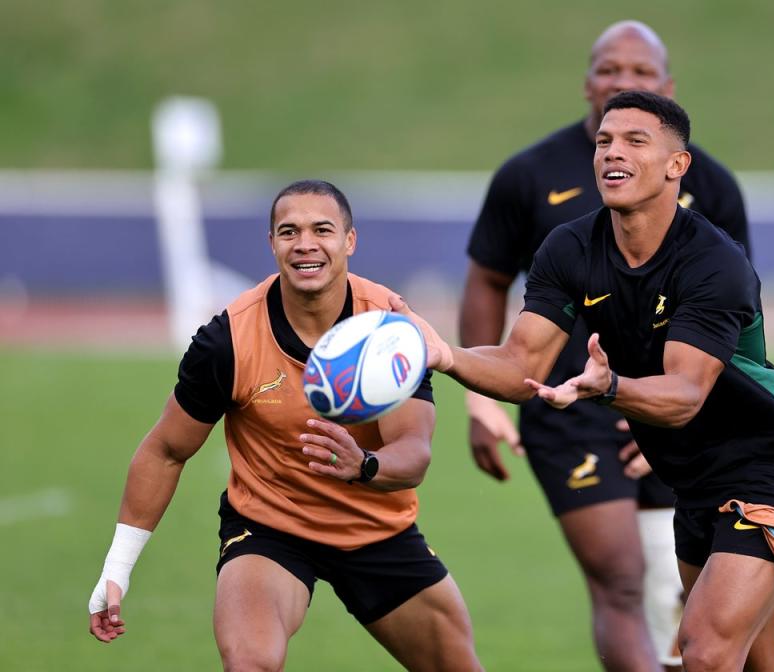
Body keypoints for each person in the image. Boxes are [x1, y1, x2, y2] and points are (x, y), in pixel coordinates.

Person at [402, 91, 774, 672]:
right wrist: (442, 354)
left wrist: (607, 388)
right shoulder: (571, 247)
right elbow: (521, 364)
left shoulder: (713, 262)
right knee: (757, 661)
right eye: (604, 141)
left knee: (703, 652)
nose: (612, 153)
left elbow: (683, 397)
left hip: (773, 471)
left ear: (677, 166)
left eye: (635, 141)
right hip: (696, 482)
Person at [88, 180, 483, 672]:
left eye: (323, 230)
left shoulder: (391, 327)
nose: (306, 244)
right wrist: (117, 569)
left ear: (350, 241)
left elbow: (414, 451)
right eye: (289, 231)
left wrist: (364, 464)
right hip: (271, 526)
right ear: (272, 243)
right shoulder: (228, 340)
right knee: (249, 663)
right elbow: (166, 450)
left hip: (377, 529)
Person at [461, 20, 749, 671]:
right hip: (566, 410)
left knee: (692, 601)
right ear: (588, 81)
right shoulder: (530, 174)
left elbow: (737, 314)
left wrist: (682, 418)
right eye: (609, 68)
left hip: (676, 406)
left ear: (668, 87)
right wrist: (483, 404)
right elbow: (486, 278)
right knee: (619, 582)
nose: (623, 80)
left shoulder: (715, 187)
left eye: (641, 72)